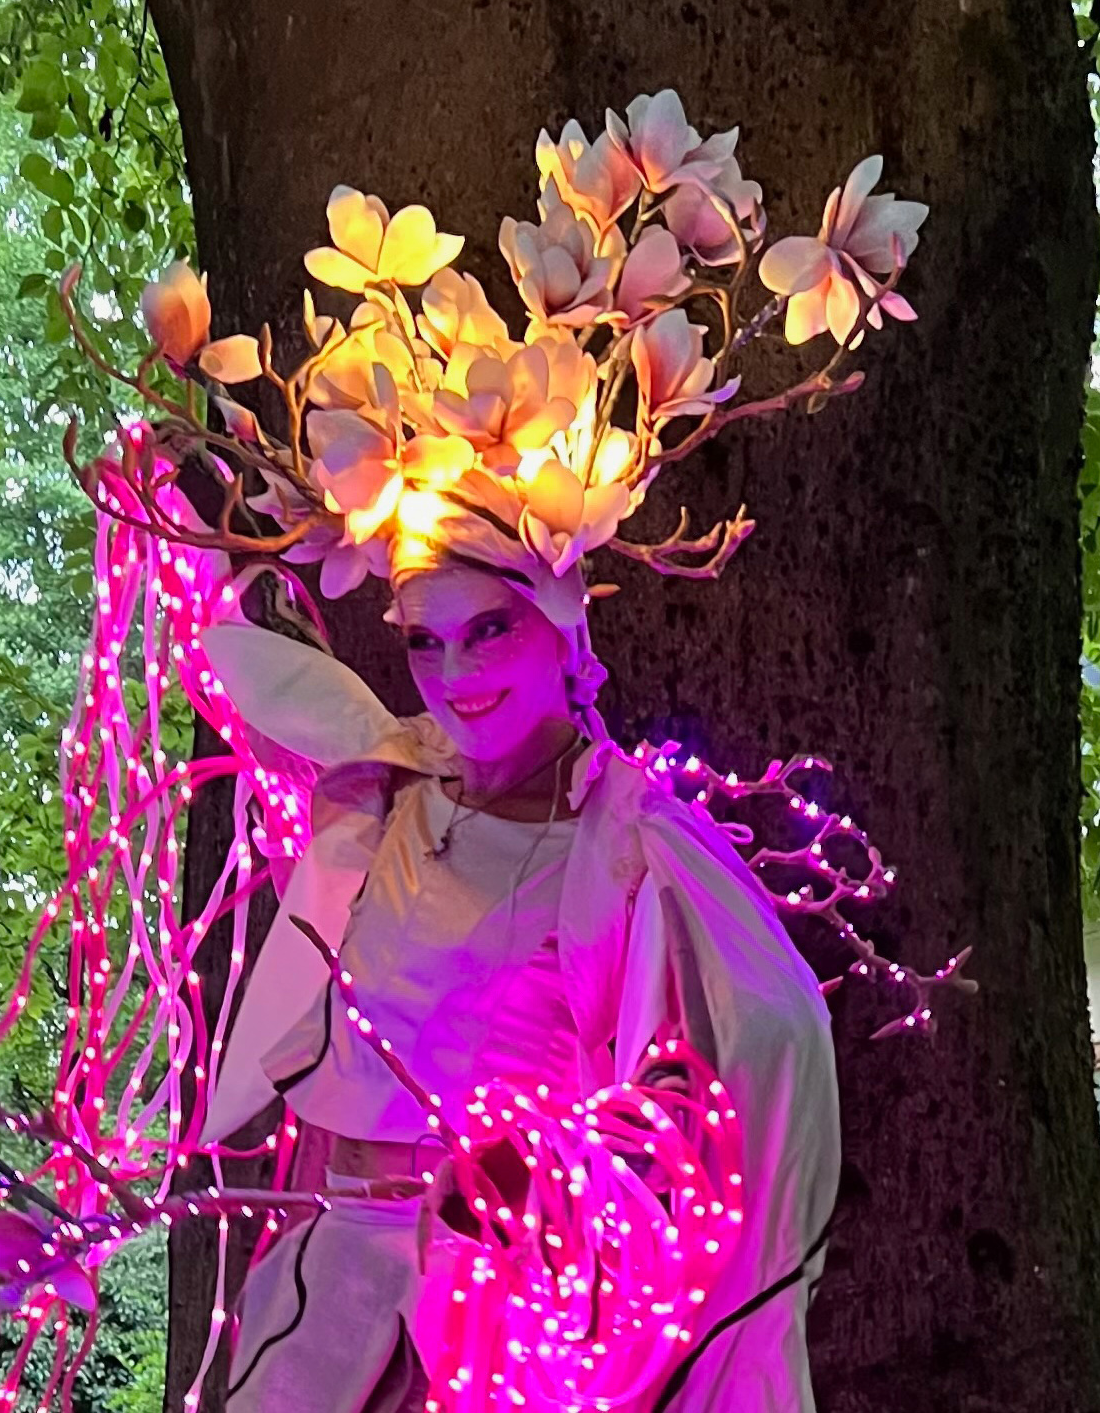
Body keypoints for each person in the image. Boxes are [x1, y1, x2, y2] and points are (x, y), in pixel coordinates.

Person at [192, 494, 840, 1411]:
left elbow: (749, 1058)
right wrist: (185, 498)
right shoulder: (393, 782)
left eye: (489, 630)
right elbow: (251, 675)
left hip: (487, 1318)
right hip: (322, 1296)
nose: (454, 674)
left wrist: (552, 1170)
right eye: (424, 642)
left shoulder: (626, 839)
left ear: (561, 625)